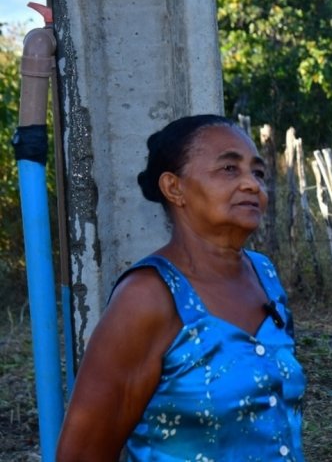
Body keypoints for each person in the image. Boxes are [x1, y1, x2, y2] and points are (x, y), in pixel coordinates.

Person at [56, 115, 305, 461]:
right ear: (175, 188)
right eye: (230, 169)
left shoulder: (264, 274)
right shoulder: (148, 297)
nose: (252, 184)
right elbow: (81, 454)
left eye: (258, 173)